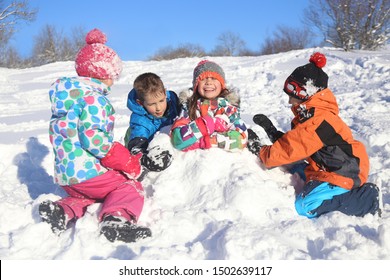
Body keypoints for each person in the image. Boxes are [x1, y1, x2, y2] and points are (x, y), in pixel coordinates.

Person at [39, 28, 157, 243]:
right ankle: (116, 219)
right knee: (127, 187)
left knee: (86, 196)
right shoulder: (95, 100)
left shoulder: (66, 100)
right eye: (114, 74)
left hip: (66, 175)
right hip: (88, 173)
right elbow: (95, 140)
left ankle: (63, 210)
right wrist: (128, 162)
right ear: (104, 73)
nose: (114, 79)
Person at [247, 52, 381, 218]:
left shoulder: (318, 120)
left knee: (305, 206)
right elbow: (298, 142)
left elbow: (295, 147)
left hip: (344, 172)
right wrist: (275, 134)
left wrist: (262, 152)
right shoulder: (311, 115)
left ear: (305, 94)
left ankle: (366, 199)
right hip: (326, 166)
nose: (290, 102)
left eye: (292, 96)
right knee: (294, 168)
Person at [170, 60, 248, 152]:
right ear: (196, 85)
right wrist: (206, 124)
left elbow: (241, 140)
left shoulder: (229, 109)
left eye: (214, 78)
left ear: (222, 84)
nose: (208, 82)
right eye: (203, 79)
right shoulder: (189, 107)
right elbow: (177, 140)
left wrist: (208, 141)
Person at [124, 72, 181, 171]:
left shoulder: (172, 100)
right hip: (135, 140)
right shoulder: (140, 121)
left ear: (164, 92)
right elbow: (138, 142)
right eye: (151, 104)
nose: (158, 108)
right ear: (140, 103)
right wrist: (143, 157)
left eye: (161, 101)